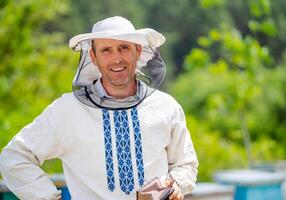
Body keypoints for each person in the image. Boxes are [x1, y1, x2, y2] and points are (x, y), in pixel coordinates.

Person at [0, 16, 198, 200]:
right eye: (106, 50)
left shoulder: (166, 106)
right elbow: (14, 157)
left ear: (138, 50)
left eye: (124, 48)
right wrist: (48, 197)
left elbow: (185, 163)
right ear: (93, 57)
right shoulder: (67, 110)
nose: (116, 58)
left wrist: (176, 184)